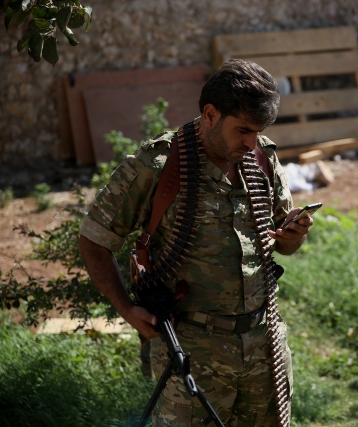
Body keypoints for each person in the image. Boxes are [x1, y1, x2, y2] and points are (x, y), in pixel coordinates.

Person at [78, 59, 313, 426]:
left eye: (258, 132)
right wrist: (126, 309)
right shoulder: (158, 164)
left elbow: (281, 244)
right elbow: (94, 239)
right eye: (243, 130)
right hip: (190, 350)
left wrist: (293, 236)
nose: (251, 142)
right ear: (210, 114)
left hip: (263, 345)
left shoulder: (262, 158)